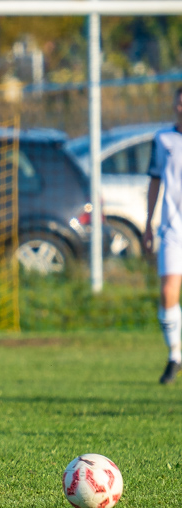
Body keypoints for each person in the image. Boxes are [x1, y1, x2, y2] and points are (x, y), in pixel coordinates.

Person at [144, 86, 182, 385]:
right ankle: (175, 356)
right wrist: (147, 223)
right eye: (179, 103)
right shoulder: (164, 140)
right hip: (172, 228)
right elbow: (155, 182)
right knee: (168, 292)